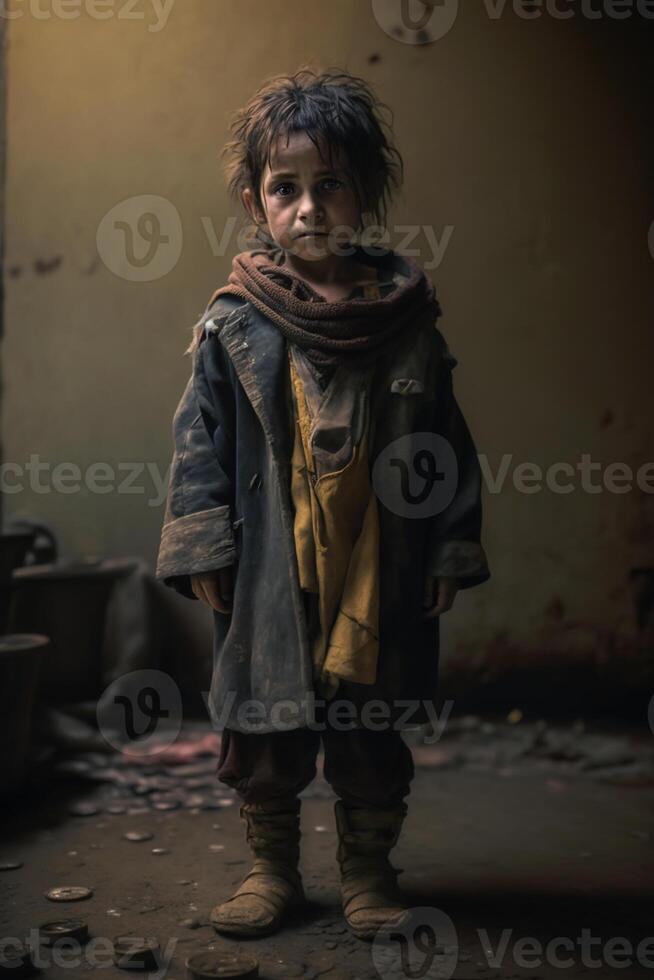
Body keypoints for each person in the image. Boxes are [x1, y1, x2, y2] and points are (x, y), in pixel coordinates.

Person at [155, 66, 491, 942]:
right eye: (285, 188)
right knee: (264, 729)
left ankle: (369, 875)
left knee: (369, 723)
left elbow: (445, 444)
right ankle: (271, 870)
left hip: (375, 562)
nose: (308, 208)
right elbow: (199, 442)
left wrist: (451, 548)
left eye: (330, 185)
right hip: (275, 559)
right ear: (255, 199)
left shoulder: (407, 320)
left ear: (366, 193)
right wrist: (202, 548)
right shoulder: (236, 323)